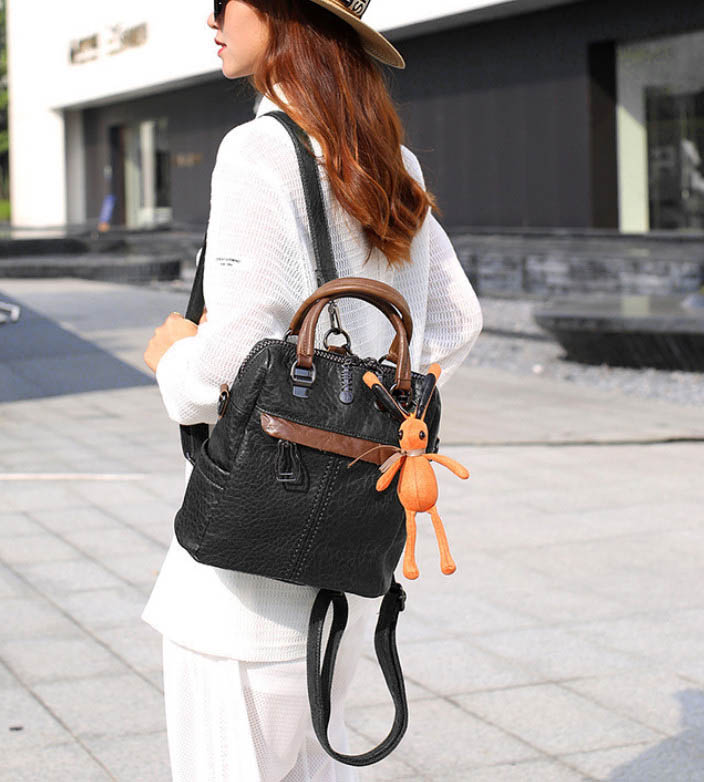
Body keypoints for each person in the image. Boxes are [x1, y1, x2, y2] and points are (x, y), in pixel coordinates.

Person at [141, 1, 483, 779]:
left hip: (248, 571)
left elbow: (227, 361)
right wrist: (371, 408)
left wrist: (173, 359)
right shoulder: (392, 157)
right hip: (352, 557)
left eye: (223, 2)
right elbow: (456, 319)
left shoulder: (260, 149)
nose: (210, 19)